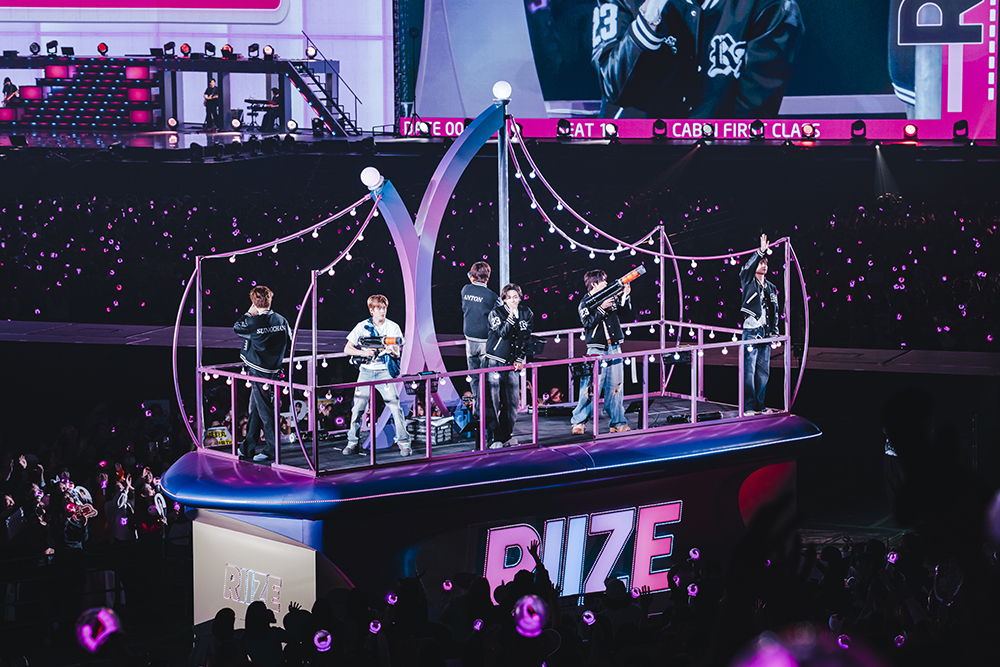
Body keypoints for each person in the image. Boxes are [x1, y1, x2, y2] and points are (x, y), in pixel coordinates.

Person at [591, 0, 804, 119]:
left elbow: (750, 119)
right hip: (628, 161)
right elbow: (613, 88)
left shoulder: (773, 7)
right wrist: (648, 19)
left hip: (718, 166)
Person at [344, 294, 412, 457]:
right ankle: (353, 441)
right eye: (379, 308)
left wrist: (391, 352)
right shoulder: (362, 326)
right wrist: (364, 352)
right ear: (371, 310)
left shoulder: (393, 327)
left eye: (384, 308)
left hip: (384, 371)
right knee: (358, 407)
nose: (382, 311)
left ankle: (403, 442)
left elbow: (397, 352)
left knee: (394, 405)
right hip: (366, 371)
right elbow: (347, 348)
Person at [234, 286, 292, 462]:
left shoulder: (253, 322)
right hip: (273, 368)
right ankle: (247, 447)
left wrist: (248, 313)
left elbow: (237, 328)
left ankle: (272, 450)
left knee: (265, 410)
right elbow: (289, 341)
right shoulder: (281, 320)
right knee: (255, 409)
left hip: (258, 369)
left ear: (254, 302)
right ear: (270, 300)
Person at [570, 270, 631, 435]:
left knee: (616, 387)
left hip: (614, 347)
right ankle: (579, 421)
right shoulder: (585, 302)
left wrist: (625, 296)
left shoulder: (610, 295)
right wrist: (602, 309)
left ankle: (618, 422)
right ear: (594, 283)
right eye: (603, 281)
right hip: (596, 349)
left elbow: (624, 312)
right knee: (590, 388)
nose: (606, 283)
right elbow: (587, 322)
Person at [484, 283, 533, 448]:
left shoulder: (526, 313)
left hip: (512, 362)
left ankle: (506, 435)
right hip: (494, 360)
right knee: (492, 402)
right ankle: (494, 438)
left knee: (512, 402)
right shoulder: (496, 313)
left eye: (515, 297)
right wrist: (511, 316)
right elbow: (502, 333)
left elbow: (526, 338)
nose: (513, 300)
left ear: (520, 298)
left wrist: (520, 359)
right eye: (509, 297)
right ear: (504, 299)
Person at [739, 233, 779, 415]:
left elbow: (775, 310)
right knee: (749, 371)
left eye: (765, 263)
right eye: (761, 262)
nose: (764, 265)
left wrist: (774, 330)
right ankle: (748, 406)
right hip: (751, 330)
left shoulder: (771, 287)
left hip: (765, 331)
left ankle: (760, 405)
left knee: (763, 371)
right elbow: (746, 268)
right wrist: (760, 252)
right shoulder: (748, 281)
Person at [461, 261, 500, 420]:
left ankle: (477, 411)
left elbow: (470, 278)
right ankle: (488, 413)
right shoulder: (492, 296)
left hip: (469, 340)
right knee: (487, 379)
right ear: (488, 277)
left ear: (472, 276)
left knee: (474, 378)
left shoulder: (465, 289)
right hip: (484, 341)